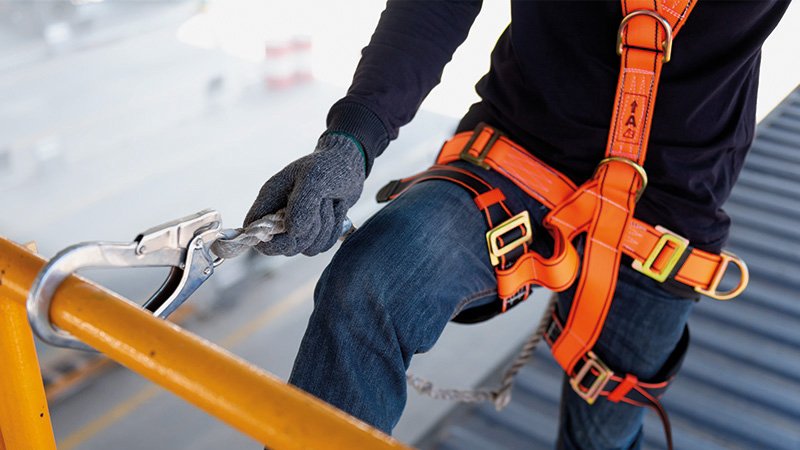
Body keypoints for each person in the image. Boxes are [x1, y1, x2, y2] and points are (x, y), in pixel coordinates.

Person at [243, 1, 790, 448]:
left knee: (603, 436)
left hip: (667, 213)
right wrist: (353, 139)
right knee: (369, 284)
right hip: (517, 154)